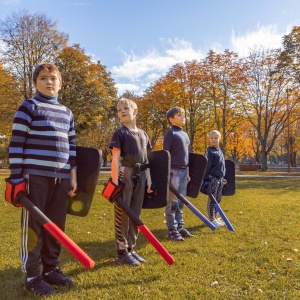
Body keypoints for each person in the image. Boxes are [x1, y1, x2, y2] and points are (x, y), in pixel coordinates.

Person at [8, 63, 77, 296]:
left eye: (53, 78)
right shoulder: (29, 107)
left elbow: (72, 147)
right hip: (34, 176)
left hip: (62, 178)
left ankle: (51, 269)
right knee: (34, 226)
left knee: (56, 226)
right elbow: (16, 145)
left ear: (61, 83)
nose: (49, 82)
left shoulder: (67, 113)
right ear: (35, 83)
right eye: (43, 78)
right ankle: (32, 275)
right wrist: (17, 179)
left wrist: (72, 176)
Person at [109, 98, 153, 266]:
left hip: (141, 175)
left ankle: (131, 249)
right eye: (119, 110)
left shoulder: (143, 134)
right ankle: (121, 251)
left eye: (126, 108)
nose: (122, 111)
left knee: (135, 213)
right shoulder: (120, 133)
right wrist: (115, 183)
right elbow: (115, 158)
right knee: (123, 214)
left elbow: (147, 160)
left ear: (135, 111)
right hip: (125, 174)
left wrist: (149, 181)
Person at [163, 106, 194, 241]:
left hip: (183, 171)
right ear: (171, 119)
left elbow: (186, 156)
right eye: (179, 115)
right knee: (172, 202)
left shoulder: (185, 134)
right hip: (173, 171)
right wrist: (167, 173)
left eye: (183, 115)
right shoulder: (171, 133)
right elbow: (166, 154)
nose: (183, 117)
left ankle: (180, 227)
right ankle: (172, 229)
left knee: (181, 201)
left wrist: (187, 172)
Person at [203, 130, 226, 228]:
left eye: (216, 138)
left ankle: (216, 217)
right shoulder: (209, 152)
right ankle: (211, 219)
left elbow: (222, 166)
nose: (214, 140)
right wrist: (205, 179)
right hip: (212, 178)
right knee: (212, 199)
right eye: (212, 138)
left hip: (219, 178)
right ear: (209, 139)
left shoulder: (219, 151)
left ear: (219, 139)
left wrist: (223, 177)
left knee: (218, 198)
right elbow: (206, 166)